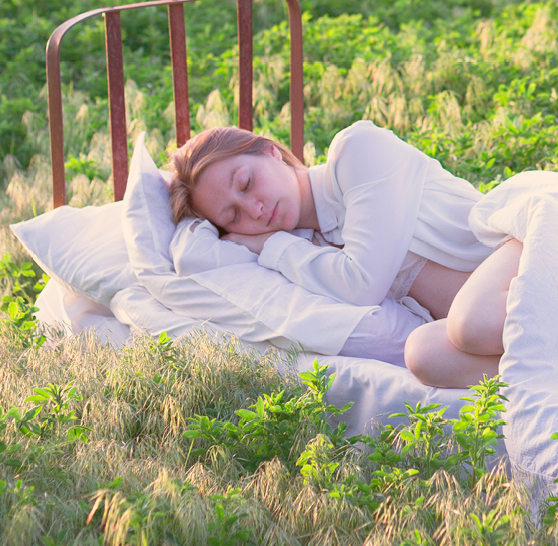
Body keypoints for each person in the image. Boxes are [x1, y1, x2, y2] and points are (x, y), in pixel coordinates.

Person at [166, 120, 520, 389]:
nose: (254, 209)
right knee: (423, 355)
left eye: (246, 183)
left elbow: (362, 284)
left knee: (470, 319)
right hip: (500, 323)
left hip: (525, 253)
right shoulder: (311, 253)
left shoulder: (356, 152)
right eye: (233, 216)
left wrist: (270, 245)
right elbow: (193, 256)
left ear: (270, 151)